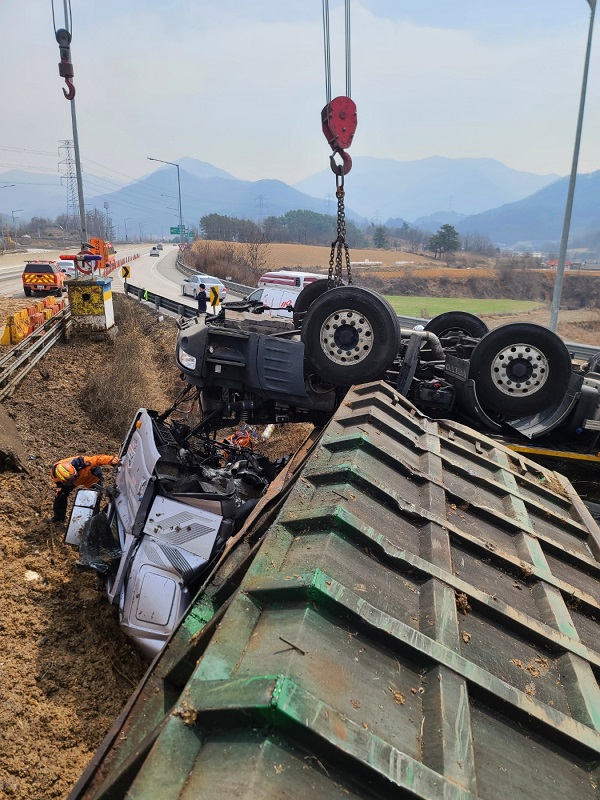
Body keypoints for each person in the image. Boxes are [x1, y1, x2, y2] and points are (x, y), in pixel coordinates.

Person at [48, 454, 119, 523]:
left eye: (74, 478)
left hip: (90, 476)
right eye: (72, 480)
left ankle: (92, 519)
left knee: (94, 498)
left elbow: (97, 459)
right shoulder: (54, 473)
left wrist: (111, 460)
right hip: (69, 480)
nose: (74, 480)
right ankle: (59, 518)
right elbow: (59, 484)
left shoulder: (82, 462)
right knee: (60, 496)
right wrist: (62, 489)